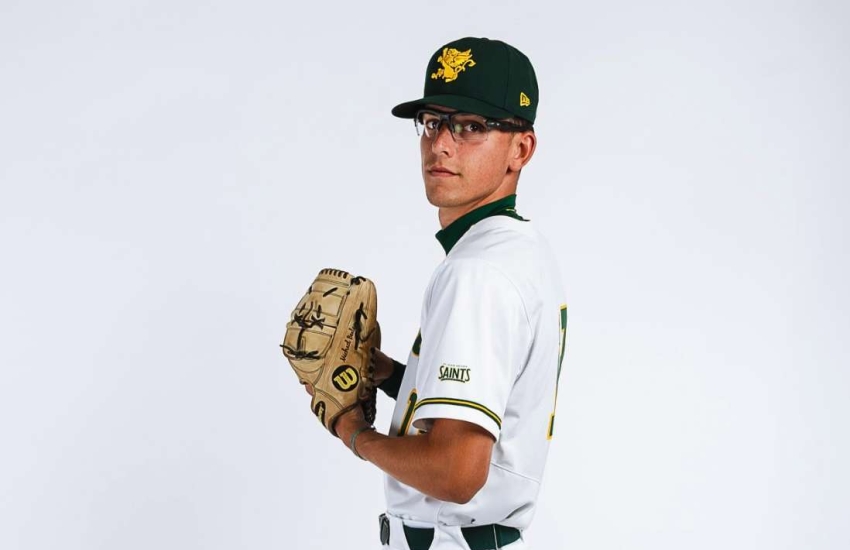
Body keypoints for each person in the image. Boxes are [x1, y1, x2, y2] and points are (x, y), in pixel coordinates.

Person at [331, 37, 568, 550]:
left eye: (471, 126)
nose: (440, 143)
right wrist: (388, 373)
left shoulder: (476, 271)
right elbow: (488, 407)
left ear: (521, 149)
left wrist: (353, 433)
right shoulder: (518, 247)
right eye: (432, 122)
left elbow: (456, 473)